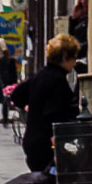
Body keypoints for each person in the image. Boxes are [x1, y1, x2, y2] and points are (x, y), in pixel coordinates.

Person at [14, 33, 81, 172]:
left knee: (41, 183)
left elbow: (17, 95)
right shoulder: (58, 80)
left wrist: (30, 106)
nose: (75, 62)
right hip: (45, 145)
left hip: (32, 139)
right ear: (64, 57)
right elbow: (56, 115)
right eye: (73, 57)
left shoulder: (41, 75)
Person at [0, 31, 16, 125]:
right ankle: (4, 114)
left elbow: (5, 50)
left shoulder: (0, 41)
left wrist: (7, 60)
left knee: (3, 87)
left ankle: (6, 114)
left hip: (2, 68)